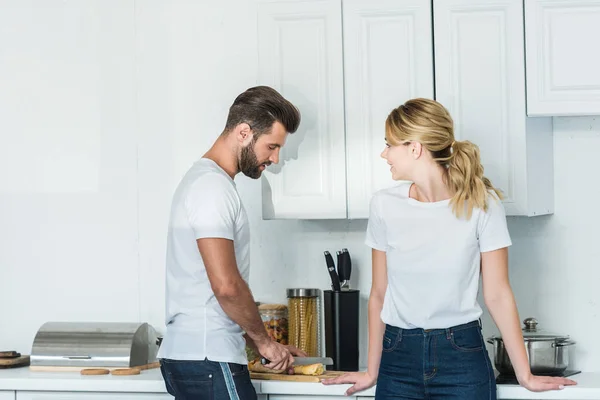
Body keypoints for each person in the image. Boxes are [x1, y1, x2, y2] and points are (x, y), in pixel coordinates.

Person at [322, 98, 577, 399]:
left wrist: (525, 374)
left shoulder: (482, 204)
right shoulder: (384, 205)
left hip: (462, 358)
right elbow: (379, 294)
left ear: (415, 148)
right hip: (398, 358)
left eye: (390, 144)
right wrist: (372, 370)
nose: (384, 153)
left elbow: (497, 294)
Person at [158, 86, 306, 400]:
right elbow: (225, 285)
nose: (275, 159)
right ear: (243, 132)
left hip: (193, 356)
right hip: (208, 357)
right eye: (272, 146)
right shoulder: (212, 188)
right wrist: (265, 343)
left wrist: (263, 342)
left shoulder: (205, 182)